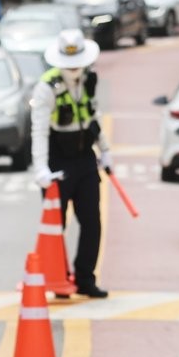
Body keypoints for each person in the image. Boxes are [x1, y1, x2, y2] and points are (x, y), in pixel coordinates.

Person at [31, 29, 112, 298]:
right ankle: (58, 278)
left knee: (92, 221)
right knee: (57, 225)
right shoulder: (47, 87)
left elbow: (92, 115)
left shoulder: (89, 79)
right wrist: (41, 167)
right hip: (58, 158)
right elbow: (39, 130)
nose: (74, 67)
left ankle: (85, 278)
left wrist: (105, 149)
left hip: (85, 158)